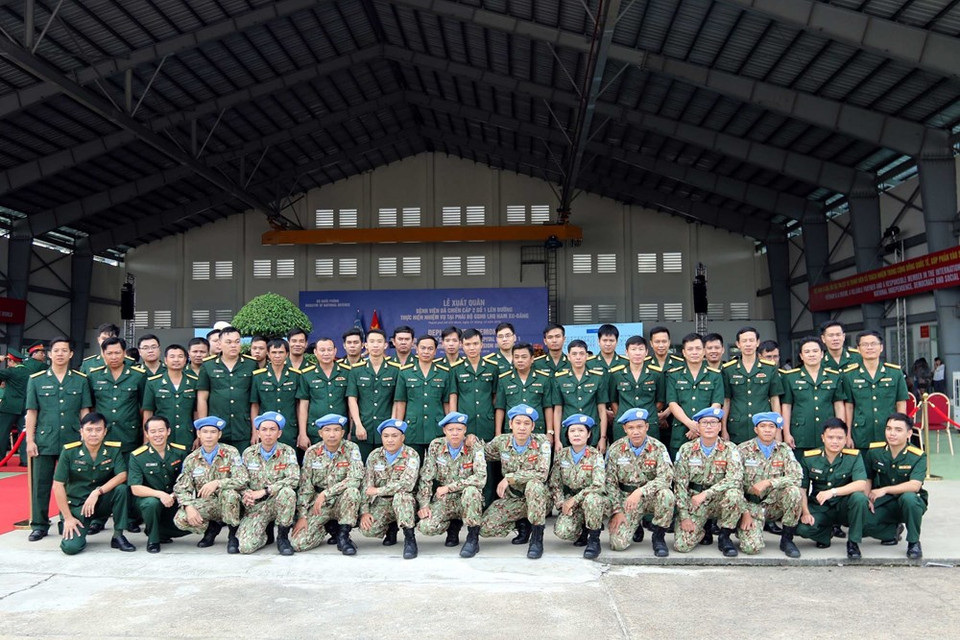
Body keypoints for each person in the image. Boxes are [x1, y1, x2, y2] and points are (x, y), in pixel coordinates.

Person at [24, 337, 92, 541]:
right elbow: (32, 411)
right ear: (49, 354)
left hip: (72, 440)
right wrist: (29, 440)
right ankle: (39, 524)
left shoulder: (81, 380)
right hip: (45, 440)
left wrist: (86, 438)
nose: (60, 354)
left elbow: (84, 411)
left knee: (72, 484)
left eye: (64, 350)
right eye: (56, 350)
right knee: (41, 483)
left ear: (71, 354)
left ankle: (67, 520)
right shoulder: (36, 379)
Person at [53, 413, 135, 554]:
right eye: (89, 430)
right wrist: (68, 518)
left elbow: (122, 475)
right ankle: (77, 527)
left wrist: (97, 492)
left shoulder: (113, 450)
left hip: (102, 501)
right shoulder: (69, 452)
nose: (93, 434)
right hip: (78, 506)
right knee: (70, 548)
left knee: (121, 489)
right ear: (81, 431)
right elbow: (58, 485)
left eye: (98, 430)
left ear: (105, 432)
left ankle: (118, 535)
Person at [478, 404, 551, 560]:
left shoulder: (542, 442)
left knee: (534, 485)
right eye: (518, 423)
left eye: (526, 423)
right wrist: (470, 440)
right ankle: (522, 523)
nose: (522, 427)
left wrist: (509, 478)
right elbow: (481, 453)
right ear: (510, 424)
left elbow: (542, 473)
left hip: (539, 499)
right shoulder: (501, 441)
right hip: (514, 498)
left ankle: (537, 539)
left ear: (533, 426)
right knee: (485, 528)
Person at [673, 407, 743, 557]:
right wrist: (684, 516)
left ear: (719, 426)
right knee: (682, 546)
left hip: (719, 500)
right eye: (704, 423)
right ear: (697, 427)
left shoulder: (730, 449)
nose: (709, 426)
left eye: (713, 422)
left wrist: (706, 493)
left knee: (735, 495)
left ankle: (725, 536)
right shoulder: (686, 449)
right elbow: (680, 484)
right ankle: (703, 529)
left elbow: (735, 479)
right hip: (694, 501)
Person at [795, 417, 869, 559]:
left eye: (839, 438)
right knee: (802, 528)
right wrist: (805, 512)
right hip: (820, 507)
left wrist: (833, 492)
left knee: (859, 498)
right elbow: (802, 488)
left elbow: (861, 484)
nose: (835, 441)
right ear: (823, 438)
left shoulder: (853, 456)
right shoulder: (809, 457)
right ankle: (825, 534)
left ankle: (853, 543)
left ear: (846, 439)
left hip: (844, 506)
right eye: (830, 437)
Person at [416, 412, 487, 558]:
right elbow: (426, 477)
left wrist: (449, 487)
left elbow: (480, 477)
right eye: (451, 429)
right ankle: (453, 526)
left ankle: (472, 539)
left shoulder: (474, 446)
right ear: (444, 430)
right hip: (445, 499)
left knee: (472, 491)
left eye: (459, 429)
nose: (455, 433)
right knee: (426, 527)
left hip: (467, 499)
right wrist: (424, 504)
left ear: (465, 430)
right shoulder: (436, 446)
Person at [172, 416, 248, 553]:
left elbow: (242, 479)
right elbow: (181, 488)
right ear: (198, 434)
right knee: (180, 518)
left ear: (219, 434)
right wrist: (188, 506)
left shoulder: (231, 452)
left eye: (213, 432)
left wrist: (218, 483)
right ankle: (211, 529)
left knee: (229, 494)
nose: (209, 436)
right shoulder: (191, 459)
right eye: (205, 432)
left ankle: (233, 535)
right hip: (209, 503)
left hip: (233, 503)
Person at [290, 414, 363, 555]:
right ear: (320, 433)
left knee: (352, 492)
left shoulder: (351, 449)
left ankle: (343, 537)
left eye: (336, 430)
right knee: (298, 544)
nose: (332, 434)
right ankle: (328, 527)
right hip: (319, 504)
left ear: (342, 433)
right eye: (327, 430)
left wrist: (326, 493)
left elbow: (355, 478)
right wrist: (303, 516)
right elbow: (305, 486)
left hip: (341, 500)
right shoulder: (312, 452)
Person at [605, 408, 674, 557]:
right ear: (625, 429)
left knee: (667, 495)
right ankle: (635, 526)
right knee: (617, 545)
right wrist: (617, 511)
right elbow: (610, 483)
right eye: (631, 428)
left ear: (647, 427)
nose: (636, 432)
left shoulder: (658, 448)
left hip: (650, 497)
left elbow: (666, 477)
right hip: (626, 500)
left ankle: (658, 537)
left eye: (639, 427)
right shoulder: (615, 449)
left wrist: (640, 491)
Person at [735, 412, 803, 558]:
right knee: (751, 548)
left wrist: (769, 482)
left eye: (771, 426)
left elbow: (797, 476)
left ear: (777, 430)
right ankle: (742, 528)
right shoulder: (742, 450)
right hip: (750, 506)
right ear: (756, 429)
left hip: (774, 504)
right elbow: (735, 484)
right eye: (763, 426)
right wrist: (745, 512)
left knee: (794, 492)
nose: (767, 430)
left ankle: (787, 540)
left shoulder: (784, 449)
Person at [863, 413, 927, 559]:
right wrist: (866, 498)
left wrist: (885, 489)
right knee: (862, 523)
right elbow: (868, 478)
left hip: (909, 502)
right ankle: (892, 531)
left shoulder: (918, 456)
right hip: (884, 501)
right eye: (889, 428)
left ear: (909, 433)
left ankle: (914, 542)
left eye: (898, 430)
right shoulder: (875, 451)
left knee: (909, 498)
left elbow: (915, 485)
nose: (892, 433)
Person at [236, 411, 299, 555]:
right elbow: (241, 480)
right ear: (258, 433)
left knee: (287, 492)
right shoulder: (248, 453)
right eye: (264, 430)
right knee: (245, 547)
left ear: (279, 433)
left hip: (278, 503)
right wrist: (246, 494)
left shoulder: (287, 452)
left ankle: (282, 537)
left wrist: (265, 491)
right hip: (256, 506)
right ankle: (265, 534)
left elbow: (293, 479)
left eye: (272, 429)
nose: (268, 434)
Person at [358, 419, 420, 559]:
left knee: (401, 496)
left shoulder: (411, 455)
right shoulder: (374, 456)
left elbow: (407, 484)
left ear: (402, 437)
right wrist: (365, 512)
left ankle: (410, 539)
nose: (390, 440)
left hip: (405, 501)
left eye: (394, 436)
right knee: (368, 530)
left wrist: (378, 491)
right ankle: (391, 529)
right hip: (382, 502)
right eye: (386, 436)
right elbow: (367, 485)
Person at [548, 414, 606, 559]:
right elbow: (555, 483)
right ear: (567, 435)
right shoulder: (562, 455)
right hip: (570, 499)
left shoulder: (595, 455)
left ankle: (594, 539)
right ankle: (582, 530)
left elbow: (598, 485)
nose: (576, 434)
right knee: (562, 531)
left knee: (593, 500)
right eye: (572, 431)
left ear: (589, 434)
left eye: (581, 430)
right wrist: (561, 504)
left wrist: (574, 500)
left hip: (591, 499)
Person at [128, 415, 189, 553]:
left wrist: (174, 495)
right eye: (153, 431)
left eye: (161, 430)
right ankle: (153, 539)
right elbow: (135, 488)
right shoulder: (137, 456)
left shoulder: (180, 452)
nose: (157, 435)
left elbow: (187, 479)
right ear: (146, 434)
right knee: (151, 503)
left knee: (196, 521)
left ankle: (162, 532)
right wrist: (160, 494)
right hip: (150, 500)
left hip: (175, 498)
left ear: (168, 431)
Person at [392, 335, 455, 461]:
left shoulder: (444, 373)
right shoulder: (405, 372)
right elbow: (401, 403)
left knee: (439, 466)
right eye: (423, 348)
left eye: (430, 349)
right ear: (416, 349)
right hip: (412, 429)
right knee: (413, 466)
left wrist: (451, 427)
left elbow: (446, 403)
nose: (426, 352)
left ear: (435, 351)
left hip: (436, 428)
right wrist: (398, 428)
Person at [841, 330, 908, 448]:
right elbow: (849, 406)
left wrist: (901, 430)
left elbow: (901, 403)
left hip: (888, 431)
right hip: (861, 433)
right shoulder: (849, 375)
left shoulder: (895, 373)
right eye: (865, 344)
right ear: (858, 349)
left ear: (881, 347)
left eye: (873, 344)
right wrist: (848, 434)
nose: (869, 347)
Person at [197, 326, 258, 452]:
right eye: (228, 342)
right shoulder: (208, 365)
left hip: (243, 427)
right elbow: (202, 398)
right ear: (219, 344)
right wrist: (203, 429)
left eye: (237, 342)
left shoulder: (251, 364)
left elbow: (255, 400)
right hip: (216, 427)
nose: (233, 346)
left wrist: (255, 430)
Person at [780, 337, 845, 454]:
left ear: (822, 354)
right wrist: (786, 433)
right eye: (807, 352)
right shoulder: (790, 377)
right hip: (801, 433)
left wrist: (841, 432)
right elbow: (786, 406)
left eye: (815, 351)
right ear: (801, 356)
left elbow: (839, 406)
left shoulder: (834, 376)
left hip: (828, 432)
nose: (811, 355)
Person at [665, 333, 723, 462]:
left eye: (698, 348)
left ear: (704, 351)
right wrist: (689, 424)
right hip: (681, 431)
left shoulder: (715, 375)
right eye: (690, 349)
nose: (694, 352)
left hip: (707, 432)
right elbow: (672, 403)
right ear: (684, 352)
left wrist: (699, 426)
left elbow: (717, 404)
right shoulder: (674, 375)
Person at [721, 327, 783, 444]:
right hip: (737, 426)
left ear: (757, 342)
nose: (748, 344)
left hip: (763, 426)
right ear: (738, 344)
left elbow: (775, 399)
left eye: (751, 340)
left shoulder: (769, 368)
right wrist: (723, 429)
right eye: (744, 341)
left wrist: (778, 430)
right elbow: (726, 401)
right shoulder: (729, 369)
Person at [346, 329, 401, 461]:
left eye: (379, 342)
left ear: (385, 345)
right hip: (363, 427)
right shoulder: (356, 369)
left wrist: (391, 425)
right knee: (361, 466)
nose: (375, 345)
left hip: (386, 429)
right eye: (372, 341)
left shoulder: (395, 369)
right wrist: (358, 425)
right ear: (366, 345)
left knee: (386, 466)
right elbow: (352, 399)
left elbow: (397, 400)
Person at [552, 340, 609, 450]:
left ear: (587, 356)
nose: (578, 357)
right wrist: (557, 439)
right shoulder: (560, 378)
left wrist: (603, 437)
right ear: (568, 357)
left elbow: (602, 410)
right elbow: (558, 411)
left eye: (581, 354)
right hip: (568, 434)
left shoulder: (597, 378)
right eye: (574, 354)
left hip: (592, 432)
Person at [608, 335, 665, 442]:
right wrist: (622, 415)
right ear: (626, 352)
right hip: (623, 424)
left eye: (641, 349)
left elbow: (661, 401)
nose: (637, 353)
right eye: (633, 349)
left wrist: (647, 414)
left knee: (650, 451)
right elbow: (613, 400)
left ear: (646, 352)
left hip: (649, 423)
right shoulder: (617, 374)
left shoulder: (656, 374)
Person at [142, 344, 199, 449]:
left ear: (186, 360)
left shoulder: (194, 381)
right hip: (161, 436)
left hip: (186, 435)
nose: (176, 360)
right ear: (165, 360)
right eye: (172, 356)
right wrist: (146, 440)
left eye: (180, 356)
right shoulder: (153, 382)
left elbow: (196, 411)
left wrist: (198, 436)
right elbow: (148, 412)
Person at [297, 337, 351, 448]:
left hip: (340, 429)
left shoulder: (347, 372)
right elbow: (303, 405)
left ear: (335, 351)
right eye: (322, 350)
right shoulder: (307, 374)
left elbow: (351, 402)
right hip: (315, 430)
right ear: (315, 352)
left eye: (329, 350)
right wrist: (302, 433)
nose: (326, 353)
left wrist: (351, 430)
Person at [250, 338, 302, 451]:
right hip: (266, 430)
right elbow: (255, 405)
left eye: (281, 352)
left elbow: (299, 405)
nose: (277, 356)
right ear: (268, 354)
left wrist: (301, 432)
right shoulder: (258, 376)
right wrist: (255, 431)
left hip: (289, 428)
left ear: (287, 354)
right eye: (274, 352)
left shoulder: (296, 376)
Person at [494, 343, 554, 436]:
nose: (520, 360)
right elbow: (500, 407)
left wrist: (550, 432)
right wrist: (498, 433)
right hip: (511, 431)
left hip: (537, 430)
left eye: (524, 357)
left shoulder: (543, 378)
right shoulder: (504, 379)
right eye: (516, 357)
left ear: (532, 359)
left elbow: (548, 406)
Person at [450, 329, 498, 442]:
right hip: (465, 423)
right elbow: (453, 397)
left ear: (482, 345)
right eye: (467, 344)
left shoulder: (492, 367)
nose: (472, 348)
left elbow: (496, 397)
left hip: (487, 423)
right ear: (461, 345)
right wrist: (454, 423)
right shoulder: (455, 369)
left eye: (475, 344)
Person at [0, 348, 43, 464]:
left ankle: (1, 459)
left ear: (11, 361)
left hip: (9, 407)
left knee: (2, 433)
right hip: (25, 407)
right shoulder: (29, 372)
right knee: (25, 434)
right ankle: (25, 460)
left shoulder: (10, 372)